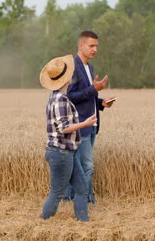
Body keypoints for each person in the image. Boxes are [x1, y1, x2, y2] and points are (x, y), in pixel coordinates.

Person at [40, 55, 97, 222]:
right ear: (67, 78)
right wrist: (85, 123)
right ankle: (43, 223)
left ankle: (83, 222)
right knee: (57, 193)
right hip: (60, 152)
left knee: (81, 188)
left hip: (67, 151)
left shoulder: (57, 96)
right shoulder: (60, 100)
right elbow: (64, 128)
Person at [64, 31, 116, 204]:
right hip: (80, 125)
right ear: (81, 45)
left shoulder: (89, 67)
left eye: (96, 46)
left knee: (77, 166)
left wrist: (101, 103)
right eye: (91, 46)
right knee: (87, 166)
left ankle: (69, 199)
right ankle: (86, 201)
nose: (95, 50)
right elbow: (70, 96)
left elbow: (87, 96)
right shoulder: (72, 67)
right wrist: (94, 90)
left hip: (92, 124)